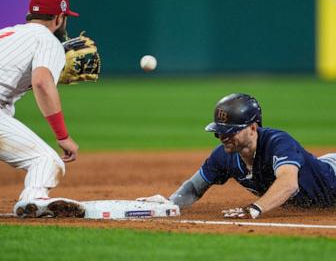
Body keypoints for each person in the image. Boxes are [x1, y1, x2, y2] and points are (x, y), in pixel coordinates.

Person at [0, 0, 85, 217]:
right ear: (59, 17)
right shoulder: (49, 41)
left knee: (2, 110)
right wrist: (63, 136)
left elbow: (1, 85)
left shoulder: (7, 34)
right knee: (46, 161)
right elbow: (43, 82)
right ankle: (33, 199)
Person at [140, 93, 336, 219]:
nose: (223, 137)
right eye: (219, 132)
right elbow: (194, 187)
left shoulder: (278, 142)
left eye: (230, 131)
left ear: (252, 128)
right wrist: (170, 203)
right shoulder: (223, 157)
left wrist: (255, 208)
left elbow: (289, 183)